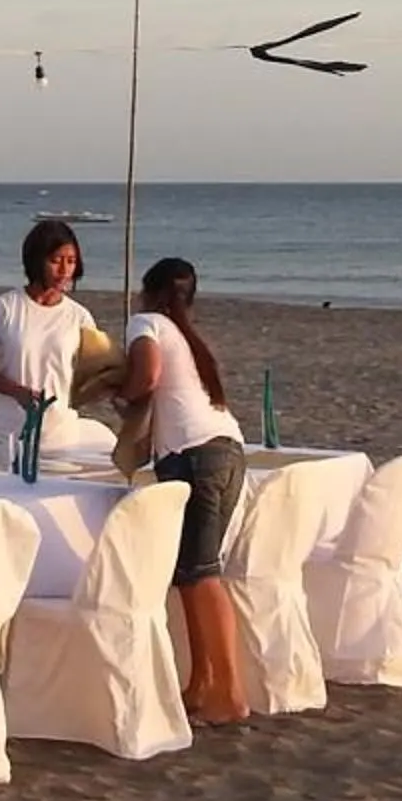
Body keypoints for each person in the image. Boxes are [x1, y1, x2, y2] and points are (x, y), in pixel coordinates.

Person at [119, 256, 249, 726]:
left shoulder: (146, 323)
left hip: (194, 455)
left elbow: (147, 378)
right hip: (227, 449)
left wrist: (122, 394)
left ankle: (230, 694)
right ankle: (200, 683)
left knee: (201, 575)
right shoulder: (191, 340)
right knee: (191, 574)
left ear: (148, 293)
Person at [0, 219, 97, 456]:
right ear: (37, 261)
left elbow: (98, 373)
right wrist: (16, 391)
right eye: (56, 261)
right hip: (9, 433)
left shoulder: (80, 317)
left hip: (60, 436)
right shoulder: (4, 308)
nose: (64, 270)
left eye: (71, 261)